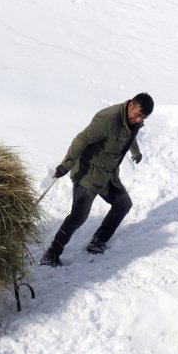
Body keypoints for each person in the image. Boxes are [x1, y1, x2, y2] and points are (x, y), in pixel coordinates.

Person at [40, 93, 154, 267]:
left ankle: (98, 241)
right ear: (131, 104)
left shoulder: (132, 121)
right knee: (78, 216)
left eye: (143, 118)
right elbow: (82, 139)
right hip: (89, 173)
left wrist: (135, 152)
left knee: (123, 204)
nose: (138, 120)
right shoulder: (108, 119)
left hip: (108, 174)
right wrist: (67, 164)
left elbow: (129, 135)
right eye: (138, 115)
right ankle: (51, 254)